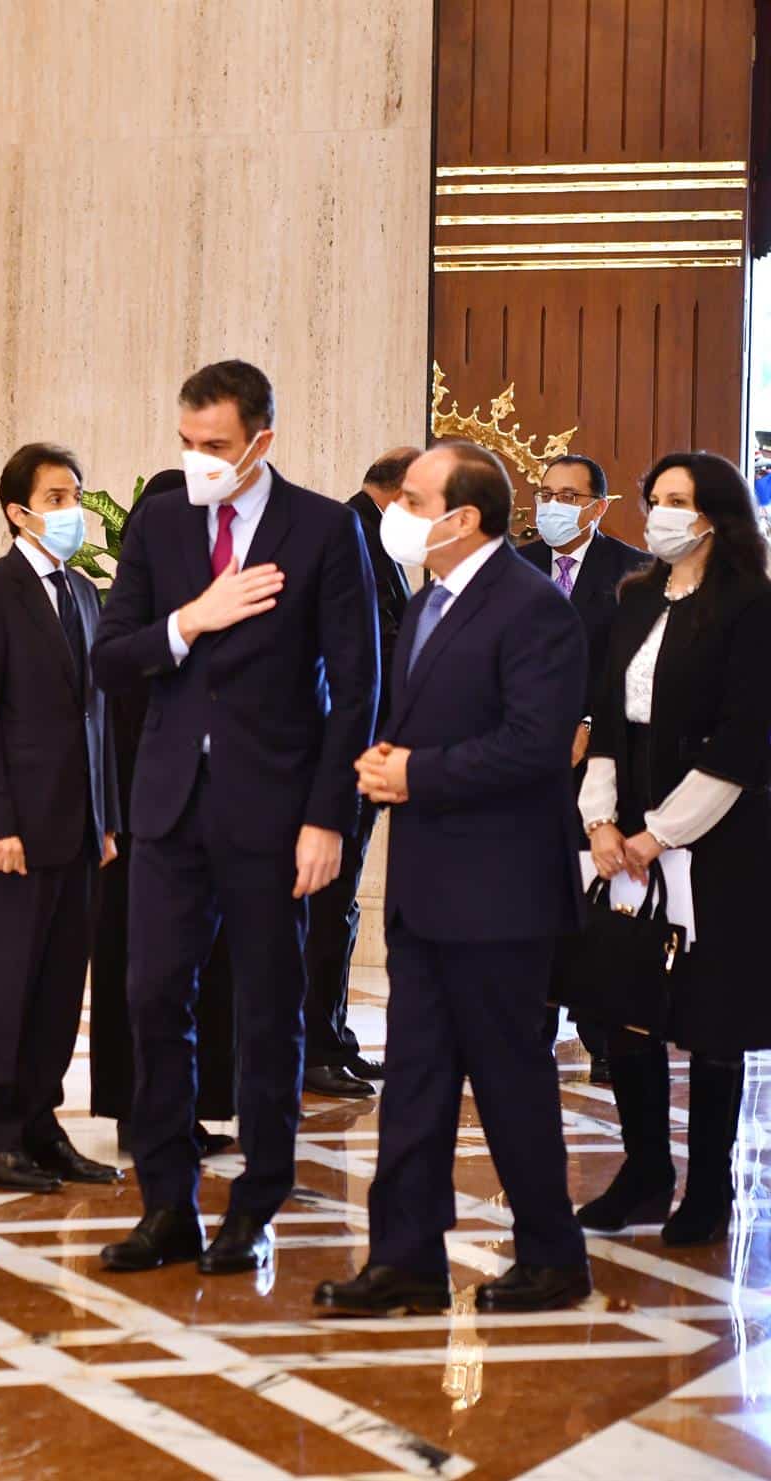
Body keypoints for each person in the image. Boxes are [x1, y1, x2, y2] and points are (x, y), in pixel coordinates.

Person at [91, 359, 378, 1278]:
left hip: (277, 811)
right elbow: (112, 657)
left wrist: (329, 818)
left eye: (215, 446)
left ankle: (256, 1205)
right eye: (186, 442)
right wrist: (192, 619)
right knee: (150, 999)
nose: (197, 460)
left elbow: (358, 684)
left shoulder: (325, 528)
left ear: (262, 440)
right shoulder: (163, 518)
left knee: (269, 1009)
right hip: (169, 808)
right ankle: (167, 1204)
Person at [316, 441, 592, 1317]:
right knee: (417, 1081)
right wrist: (392, 757)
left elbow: (536, 744)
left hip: (501, 895)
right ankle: (404, 1258)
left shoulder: (532, 607)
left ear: (463, 516)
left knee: (510, 1080)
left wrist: (416, 774)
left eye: (415, 496)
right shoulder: (432, 597)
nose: (398, 508)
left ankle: (552, 1256)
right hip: (428, 889)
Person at [574, 452, 771, 1245]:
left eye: (677, 500)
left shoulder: (753, 604)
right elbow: (606, 721)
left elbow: (743, 738)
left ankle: (710, 1184)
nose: (658, 513)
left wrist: (663, 832)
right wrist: (601, 822)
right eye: (654, 499)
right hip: (625, 831)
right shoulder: (635, 598)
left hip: (719, 833)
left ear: (715, 516)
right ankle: (646, 1168)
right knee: (624, 1002)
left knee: (712, 1015)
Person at [0, 443, 122, 1193]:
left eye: (75, 494)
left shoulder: (84, 592)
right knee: (7, 981)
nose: (70, 509)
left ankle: (40, 1125)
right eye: (55, 496)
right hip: (16, 828)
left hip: (80, 826)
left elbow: (100, 714)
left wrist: (108, 818)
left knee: (59, 984)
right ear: (18, 510)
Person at [87, 470, 237, 1160]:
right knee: (138, 977)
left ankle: (182, 1107)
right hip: (137, 827)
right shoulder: (135, 629)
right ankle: (140, 1112)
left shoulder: (207, 621)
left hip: (202, 821)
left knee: (196, 977)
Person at [520, 453, 648, 1084]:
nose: (553, 504)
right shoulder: (513, 566)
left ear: (598, 505)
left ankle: (602, 1037)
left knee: (596, 902)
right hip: (522, 762)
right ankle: (532, 1031)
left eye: (569, 495)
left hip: (601, 765)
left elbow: (632, 670)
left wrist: (591, 727)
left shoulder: (633, 572)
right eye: (546, 492)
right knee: (531, 897)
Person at [303, 447, 421, 1099]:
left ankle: (335, 1034)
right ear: (402, 492)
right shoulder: (348, 532)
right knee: (325, 906)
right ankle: (314, 1043)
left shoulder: (378, 542)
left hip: (370, 755)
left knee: (341, 907)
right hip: (340, 755)